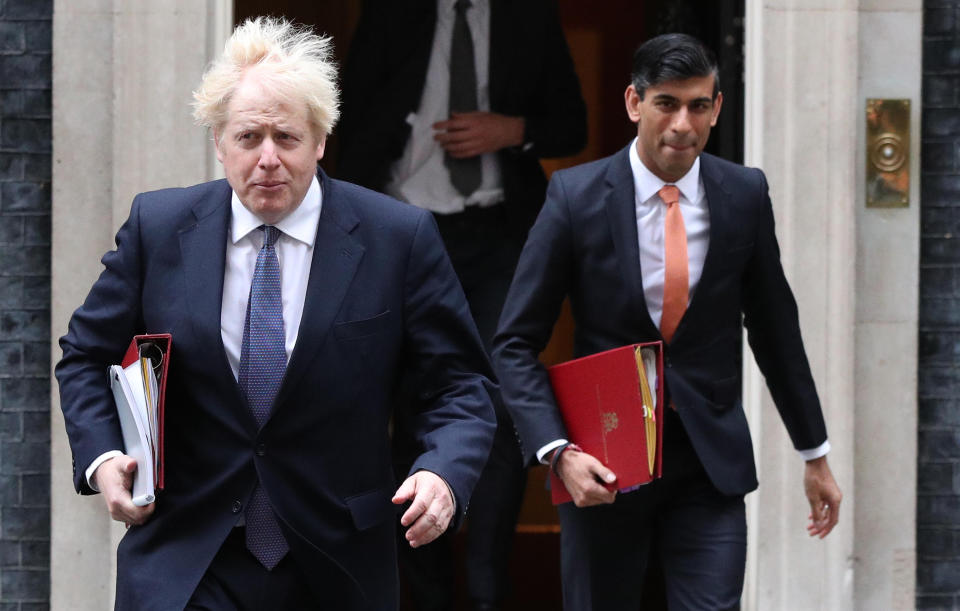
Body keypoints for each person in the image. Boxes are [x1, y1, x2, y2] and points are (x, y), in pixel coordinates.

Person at [55, 17, 496, 611]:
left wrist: (443, 472)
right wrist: (105, 459)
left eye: (286, 138)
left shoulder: (398, 238)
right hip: (186, 558)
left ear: (320, 139)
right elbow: (85, 355)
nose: (267, 159)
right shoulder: (158, 229)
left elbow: (461, 385)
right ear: (218, 143)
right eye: (247, 138)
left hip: (338, 561)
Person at [492, 33, 842, 610]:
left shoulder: (744, 194)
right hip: (603, 464)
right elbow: (513, 343)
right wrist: (558, 451)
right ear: (635, 103)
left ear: (717, 108)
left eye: (698, 106)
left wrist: (815, 455)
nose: (683, 124)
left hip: (709, 466)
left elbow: (776, 329)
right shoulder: (575, 198)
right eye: (667, 104)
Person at [337, 1, 586, 609]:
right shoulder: (391, 13)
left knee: (499, 408)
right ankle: (422, 591)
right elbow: (344, 116)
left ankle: (485, 590)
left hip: (499, 236)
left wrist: (513, 130)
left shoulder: (529, 16)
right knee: (409, 406)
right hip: (403, 231)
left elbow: (572, 124)